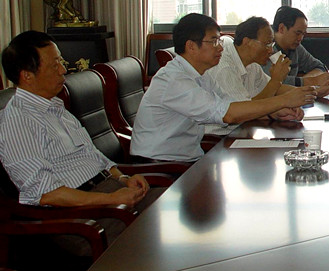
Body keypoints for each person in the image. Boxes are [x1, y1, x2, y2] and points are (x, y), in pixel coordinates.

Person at [0, 31, 157, 209]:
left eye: (60, 61)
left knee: (174, 203)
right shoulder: (18, 122)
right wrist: (112, 199)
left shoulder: (55, 107)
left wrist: (123, 179)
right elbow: (47, 194)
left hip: (108, 190)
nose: (63, 70)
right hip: (83, 210)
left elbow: (92, 155)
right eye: (54, 65)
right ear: (27, 75)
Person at [130, 13, 316, 162]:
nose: (220, 48)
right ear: (191, 46)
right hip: (160, 163)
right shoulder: (175, 80)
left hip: (189, 158)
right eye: (213, 42)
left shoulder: (201, 74)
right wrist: (282, 101)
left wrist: (274, 111)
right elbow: (229, 115)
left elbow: (232, 105)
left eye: (219, 41)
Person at [203, 16, 304, 135]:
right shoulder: (224, 68)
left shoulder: (252, 65)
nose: (271, 50)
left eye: (271, 44)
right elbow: (243, 112)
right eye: (267, 44)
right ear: (247, 42)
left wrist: (306, 93)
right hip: (219, 137)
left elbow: (274, 90)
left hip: (243, 129)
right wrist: (277, 82)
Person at [262, 6, 329, 95]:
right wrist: (309, 81)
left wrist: (308, 81)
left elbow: (320, 66)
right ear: (282, 28)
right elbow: (271, 83)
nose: (300, 38)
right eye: (297, 33)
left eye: (303, 34)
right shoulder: (266, 50)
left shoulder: (296, 47)